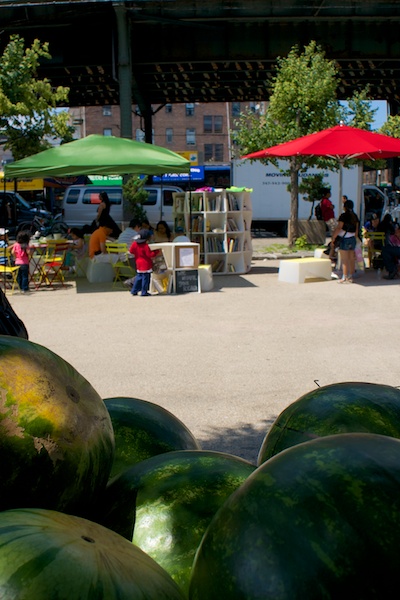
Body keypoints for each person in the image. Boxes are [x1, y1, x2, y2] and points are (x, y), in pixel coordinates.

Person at [331, 199, 360, 284]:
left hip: (344, 238)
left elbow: (339, 227)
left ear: (345, 207)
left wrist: (333, 237)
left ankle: (344, 277)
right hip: (352, 238)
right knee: (351, 258)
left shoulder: (343, 216)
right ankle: (351, 276)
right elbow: (357, 230)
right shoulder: (355, 216)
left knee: (344, 259)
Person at [129, 229, 161, 296]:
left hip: (138, 263)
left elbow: (131, 251)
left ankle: (134, 290)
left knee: (138, 278)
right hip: (146, 264)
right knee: (145, 279)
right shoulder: (145, 246)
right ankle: (144, 292)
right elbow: (150, 255)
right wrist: (157, 251)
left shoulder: (134, 244)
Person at [320, 189, 337, 260]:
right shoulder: (326, 201)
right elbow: (331, 207)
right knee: (334, 233)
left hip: (328, 219)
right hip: (330, 219)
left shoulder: (323, 201)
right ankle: (333, 248)